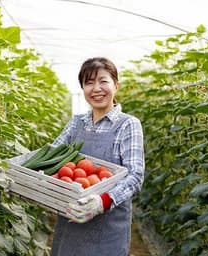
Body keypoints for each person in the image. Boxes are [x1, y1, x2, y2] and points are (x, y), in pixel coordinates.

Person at [50, 57, 145, 256]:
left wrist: (103, 201)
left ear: (116, 86)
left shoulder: (128, 124)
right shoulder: (77, 122)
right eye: (89, 82)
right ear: (83, 88)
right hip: (71, 220)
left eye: (103, 81)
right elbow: (53, 153)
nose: (96, 89)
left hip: (107, 228)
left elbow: (135, 177)